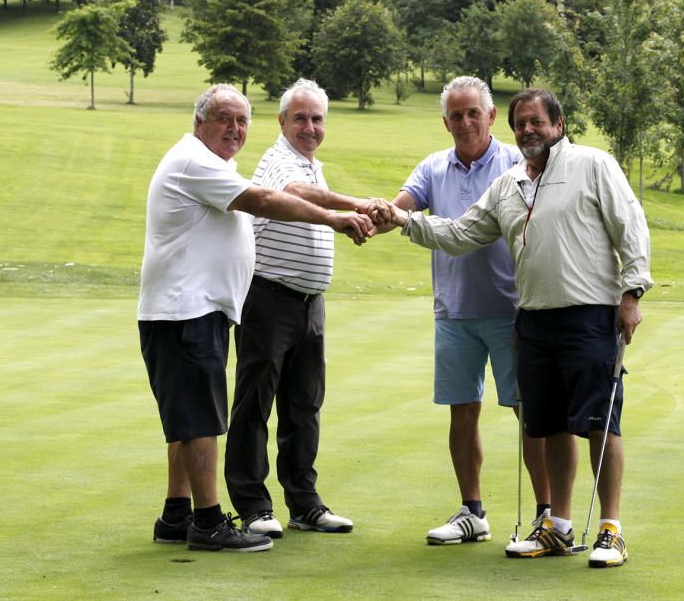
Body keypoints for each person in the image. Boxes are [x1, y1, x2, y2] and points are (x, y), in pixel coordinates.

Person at [391, 88, 652, 568]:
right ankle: (558, 526)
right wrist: (405, 220)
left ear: (559, 122)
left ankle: (611, 530)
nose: (528, 131)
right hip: (531, 319)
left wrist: (632, 294)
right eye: (521, 124)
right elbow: (460, 233)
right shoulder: (509, 183)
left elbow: (630, 226)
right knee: (548, 424)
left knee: (599, 424)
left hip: (590, 314)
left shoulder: (594, 165)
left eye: (537, 122)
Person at [137, 84, 375, 553]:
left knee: (190, 416)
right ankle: (208, 522)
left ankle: (176, 513)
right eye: (225, 118)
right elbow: (266, 201)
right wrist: (339, 217)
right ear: (199, 121)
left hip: (200, 307)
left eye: (242, 120)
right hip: (186, 308)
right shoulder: (196, 161)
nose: (235, 129)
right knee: (201, 417)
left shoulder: (215, 165)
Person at [386, 76, 550, 545]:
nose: (464, 122)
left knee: (529, 415)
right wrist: (365, 214)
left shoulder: (518, 162)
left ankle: (546, 513)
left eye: (472, 113)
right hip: (454, 311)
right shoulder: (433, 167)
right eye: (455, 115)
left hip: (513, 312)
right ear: (445, 121)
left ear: (491, 115)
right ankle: (472, 512)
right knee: (462, 413)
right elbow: (401, 207)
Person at [225, 78, 389, 539]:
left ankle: (304, 502)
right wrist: (352, 206)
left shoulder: (313, 165)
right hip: (268, 299)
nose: (309, 126)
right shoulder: (280, 161)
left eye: (317, 119)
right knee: (255, 405)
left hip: (308, 304)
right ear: (282, 122)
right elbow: (296, 193)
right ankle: (253, 505)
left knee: (304, 406)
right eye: (300, 118)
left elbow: (310, 190)